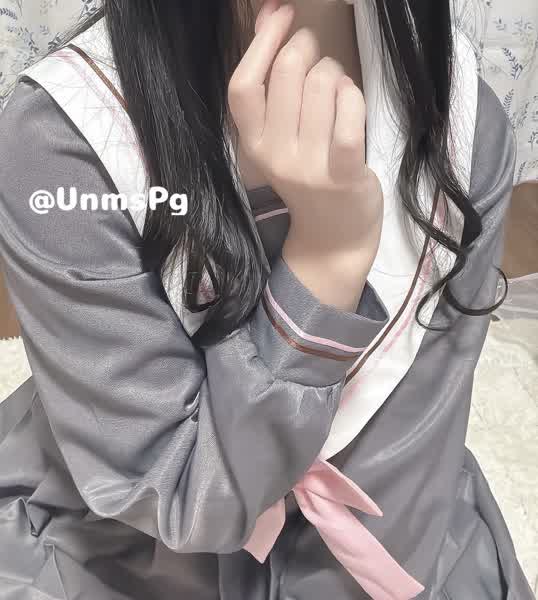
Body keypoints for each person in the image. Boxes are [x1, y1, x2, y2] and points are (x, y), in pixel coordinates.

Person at [0, 0, 533, 598]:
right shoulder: (62, 145)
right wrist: (324, 262)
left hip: (388, 528)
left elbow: (420, 436)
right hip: (132, 543)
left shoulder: (460, 117)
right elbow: (170, 486)